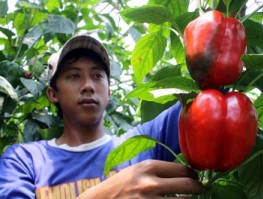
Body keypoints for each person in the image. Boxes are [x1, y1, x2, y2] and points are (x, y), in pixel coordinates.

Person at [0, 35, 203, 198]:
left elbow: (205, 95)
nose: (88, 85)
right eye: (73, 76)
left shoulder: (142, 143)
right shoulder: (24, 160)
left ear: (108, 92)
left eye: (97, 76)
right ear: (53, 94)